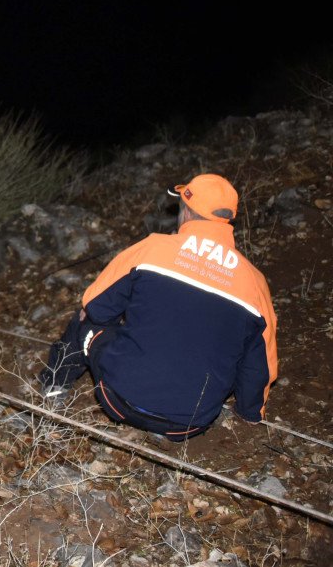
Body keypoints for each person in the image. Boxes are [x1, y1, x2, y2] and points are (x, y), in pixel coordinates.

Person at [37, 173, 278, 441]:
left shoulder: (153, 249)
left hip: (118, 399)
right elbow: (259, 367)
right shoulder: (255, 283)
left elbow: (96, 307)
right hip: (190, 423)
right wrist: (250, 413)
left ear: (186, 213)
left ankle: (53, 387)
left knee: (85, 318)